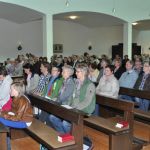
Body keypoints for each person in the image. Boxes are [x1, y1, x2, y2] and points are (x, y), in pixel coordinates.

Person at [49, 63, 96, 133]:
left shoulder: (89, 84)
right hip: (73, 108)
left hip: (84, 110)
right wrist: (68, 106)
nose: (76, 73)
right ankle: (63, 135)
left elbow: (87, 101)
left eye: (77, 72)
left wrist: (74, 108)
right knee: (52, 117)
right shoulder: (76, 82)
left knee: (66, 123)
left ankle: (72, 139)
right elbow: (72, 97)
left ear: (83, 73)